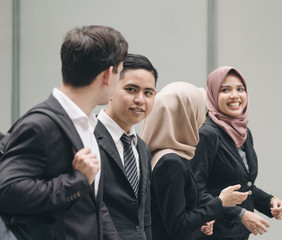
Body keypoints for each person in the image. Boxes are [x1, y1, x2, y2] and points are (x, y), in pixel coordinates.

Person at [0, 25, 128, 240]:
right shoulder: (40, 125)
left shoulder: (88, 123)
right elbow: (7, 191)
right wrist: (77, 180)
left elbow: (94, 201)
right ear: (107, 75)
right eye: (120, 72)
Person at [141, 82, 249, 240]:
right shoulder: (170, 162)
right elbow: (178, 226)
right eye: (198, 111)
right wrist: (220, 202)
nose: (202, 119)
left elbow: (172, 216)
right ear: (185, 116)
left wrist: (201, 221)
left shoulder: (161, 154)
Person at [190, 66, 282, 240]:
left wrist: (271, 201)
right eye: (225, 90)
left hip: (238, 235)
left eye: (240, 89)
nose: (235, 95)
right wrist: (240, 213)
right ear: (212, 95)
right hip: (212, 234)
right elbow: (195, 191)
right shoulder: (207, 134)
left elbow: (243, 186)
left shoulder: (244, 133)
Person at [94, 54, 157, 239]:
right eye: (131, 89)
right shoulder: (87, 137)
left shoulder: (142, 147)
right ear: (111, 88)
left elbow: (144, 218)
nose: (140, 100)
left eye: (148, 93)